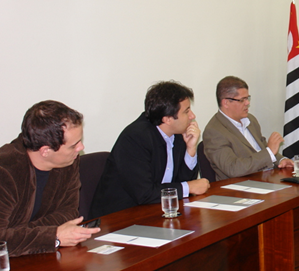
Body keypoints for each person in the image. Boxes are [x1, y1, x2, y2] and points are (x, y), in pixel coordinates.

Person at [0, 101, 100, 267]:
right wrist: (53, 236)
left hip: (23, 258)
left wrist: (10, 235)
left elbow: (68, 214)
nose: (81, 147)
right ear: (45, 151)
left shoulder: (67, 161)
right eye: (74, 145)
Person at [90, 81, 210, 218]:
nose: (192, 116)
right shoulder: (135, 138)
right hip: (119, 219)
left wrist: (190, 149)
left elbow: (181, 181)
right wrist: (189, 187)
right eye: (186, 111)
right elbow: (145, 193)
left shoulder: (177, 134)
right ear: (167, 119)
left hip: (155, 211)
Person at [202, 76, 293, 182]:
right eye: (242, 100)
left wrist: (281, 160)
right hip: (240, 188)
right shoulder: (214, 131)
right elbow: (233, 169)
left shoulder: (250, 120)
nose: (247, 103)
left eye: (247, 98)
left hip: (265, 179)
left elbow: (262, 149)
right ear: (226, 103)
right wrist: (270, 153)